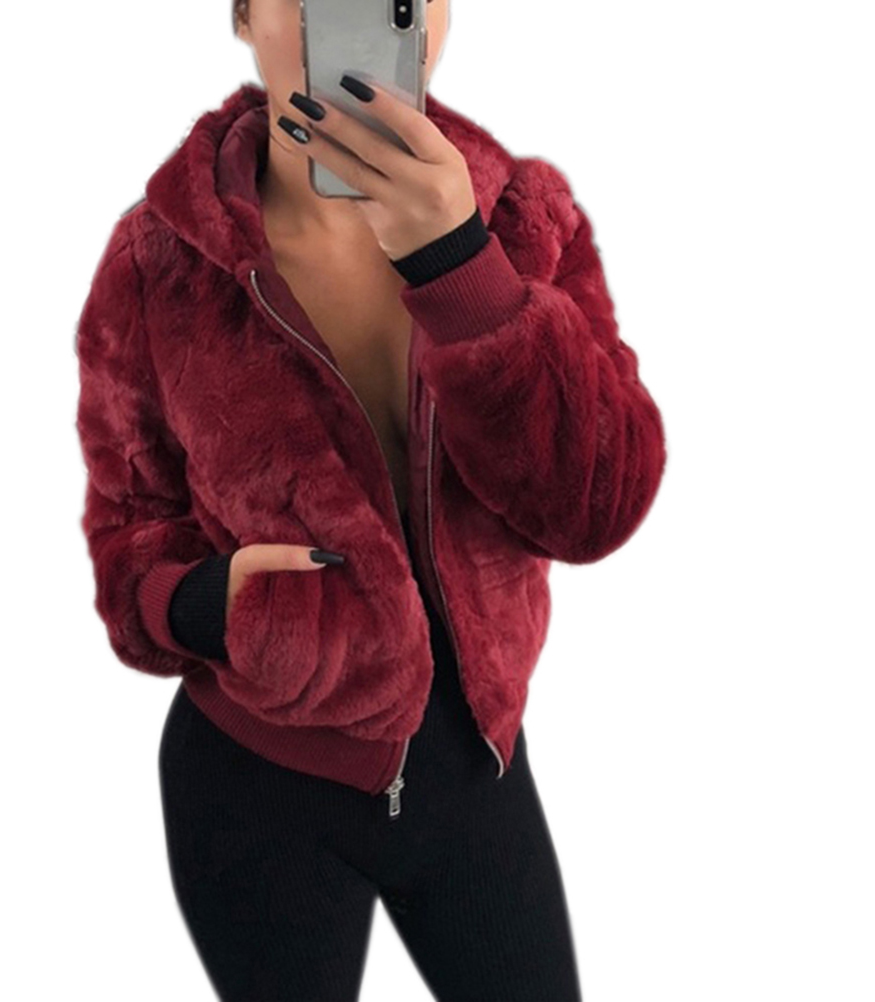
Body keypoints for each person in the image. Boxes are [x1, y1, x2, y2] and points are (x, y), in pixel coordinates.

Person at [74, 1, 667, 998]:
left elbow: (598, 508)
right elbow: (127, 536)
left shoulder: (524, 221)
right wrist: (206, 605)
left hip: (475, 772)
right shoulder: (156, 263)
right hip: (253, 789)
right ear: (243, 14)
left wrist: (460, 266)